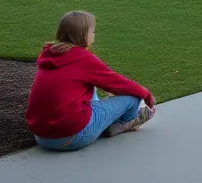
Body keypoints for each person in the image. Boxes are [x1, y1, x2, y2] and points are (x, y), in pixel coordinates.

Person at [26, 11, 156, 151]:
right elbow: (116, 83)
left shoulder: (49, 55)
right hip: (72, 137)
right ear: (83, 35)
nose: (94, 35)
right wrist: (146, 94)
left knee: (88, 86)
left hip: (42, 136)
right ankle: (120, 124)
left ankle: (100, 120)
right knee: (133, 97)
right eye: (92, 32)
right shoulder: (82, 59)